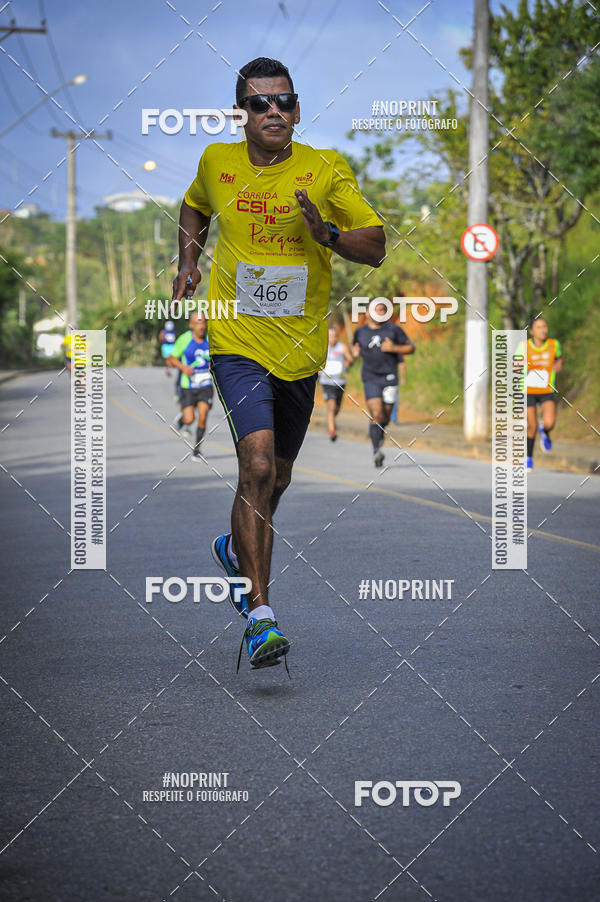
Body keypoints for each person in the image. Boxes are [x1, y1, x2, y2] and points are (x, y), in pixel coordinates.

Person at [172, 56, 385, 670]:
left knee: (278, 477)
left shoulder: (323, 170)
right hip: (237, 340)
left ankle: (236, 547)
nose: (275, 112)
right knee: (256, 463)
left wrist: (329, 237)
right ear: (241, 111)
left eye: (285, 102)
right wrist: (189, 261)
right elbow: (193, 208)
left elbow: (374, 245)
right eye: (262, 103)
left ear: (297, 108)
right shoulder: (217, 163)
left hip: (300, 349)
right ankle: (260, 615)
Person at [352, 301, 415, 467]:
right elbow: (353, 351)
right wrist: (354, 353)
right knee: (377, 414)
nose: (379, 312)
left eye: (382, 309)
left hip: (390, 377)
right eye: (376, 309)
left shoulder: (393, 330)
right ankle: (376, 450)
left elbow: (410, 348)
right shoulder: (360, 332)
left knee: (385, 416)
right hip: (370, 377)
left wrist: (394, 348)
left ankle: (377, 433)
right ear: (367, 312)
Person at [167, 313, 213, 458]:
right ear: (191, 325)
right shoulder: (185, 339)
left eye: (204, 323)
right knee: (189, 419)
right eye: (198, 323)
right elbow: (172, 358)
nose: (201, 326)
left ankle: (197, 450)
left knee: (203, 416)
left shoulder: (211, 338)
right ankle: (182, 419)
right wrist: (183, 368)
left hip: (206, 385)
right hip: (188, 386)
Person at [524, 316, 562, 469]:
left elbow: (559, 358)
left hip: (546, 389)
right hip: (528, 391)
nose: (543, 330)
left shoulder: (554, 344)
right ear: (532, 331)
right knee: (531, 426)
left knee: (550, 422)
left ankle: (545, 430)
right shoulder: (524, 346)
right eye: (539, 327)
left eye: (545, 326)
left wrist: (558, 365)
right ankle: (529, 459)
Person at [319, 324, 353, 441]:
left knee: (336, 409)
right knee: (331, 406)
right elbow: (316, 362)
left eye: (334, 335)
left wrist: (347, 363)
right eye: (330, 336)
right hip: (327, 382)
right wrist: (318, 370)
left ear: (337, 337)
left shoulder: (342, 347)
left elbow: (350, 360)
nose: (332, 338)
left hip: (340, 382)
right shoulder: (323, 347)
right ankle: (332, 431)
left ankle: (331, 420)